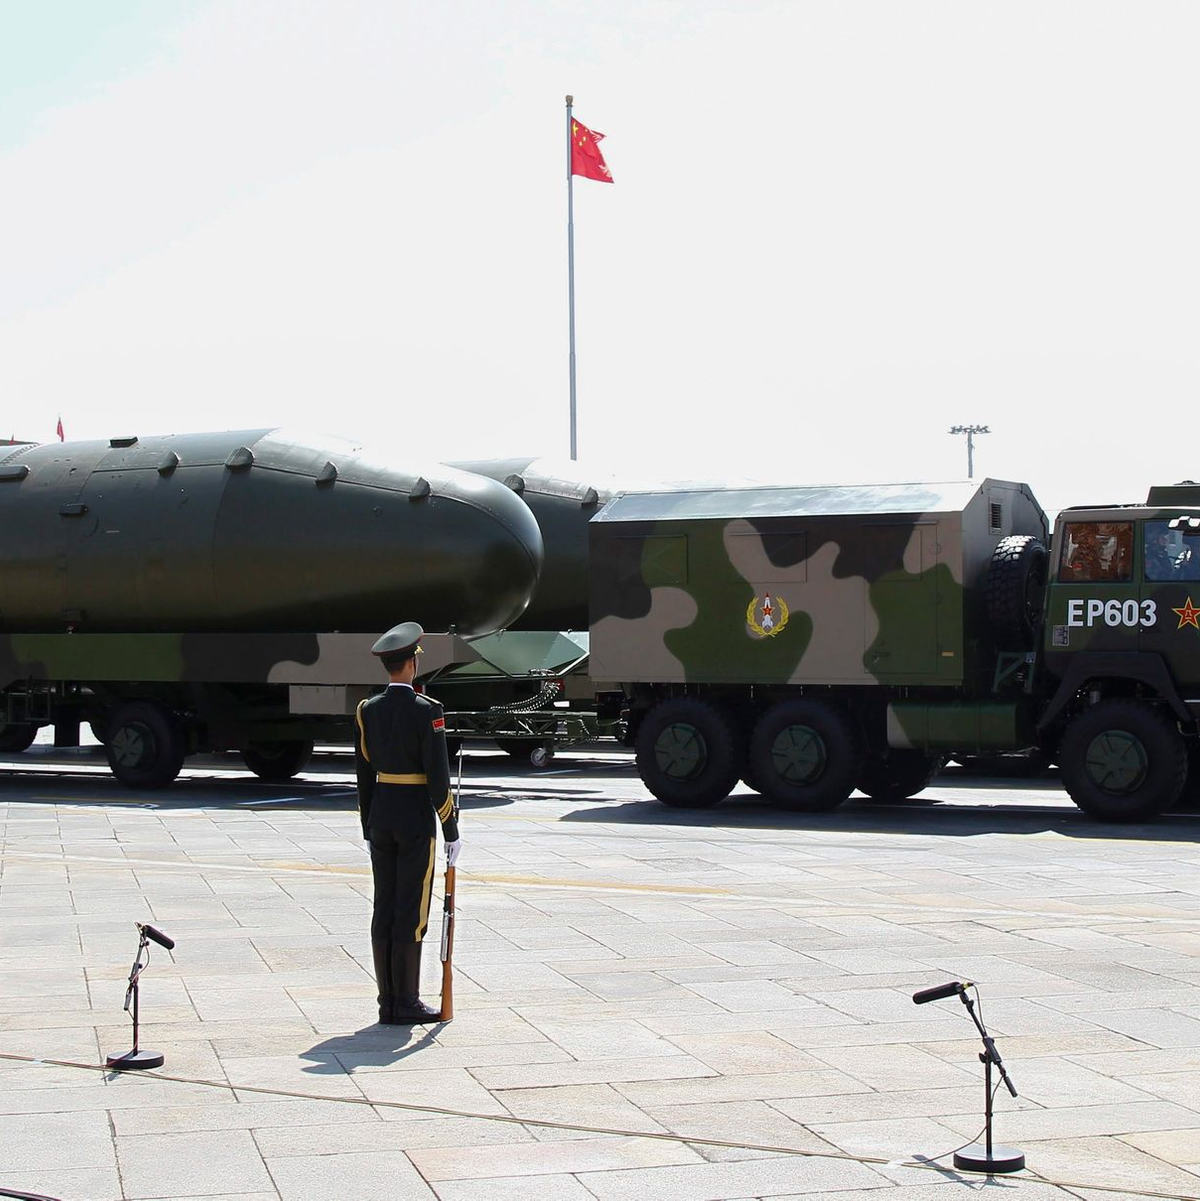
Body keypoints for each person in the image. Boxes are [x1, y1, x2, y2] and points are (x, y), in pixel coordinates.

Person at [356, 621, 462, 1024]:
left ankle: (387, 1001)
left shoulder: (368, 710)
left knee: (384, 904)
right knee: (412, 910)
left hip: (381, 815)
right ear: (412, 665)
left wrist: (368, 825)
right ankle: (408, 1002)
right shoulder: (428, 711)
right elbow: (437, 778)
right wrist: (450, 829)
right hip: (416, 818)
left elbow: (364, 775)